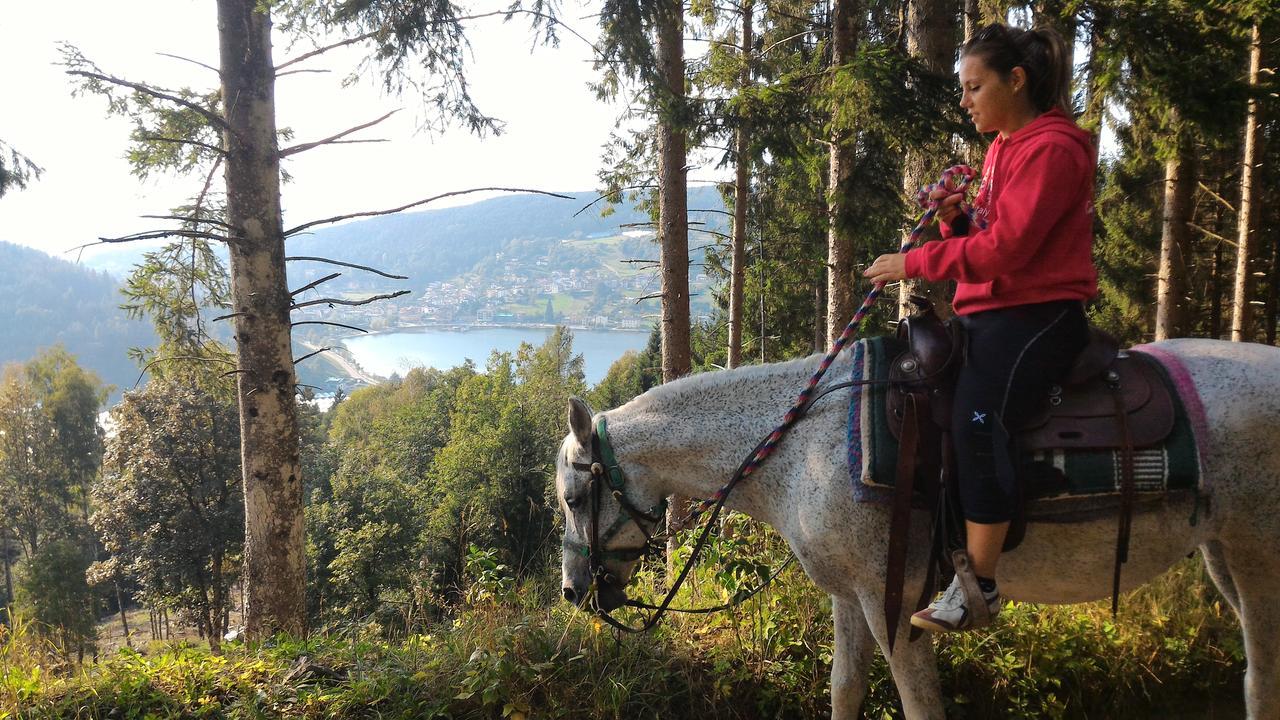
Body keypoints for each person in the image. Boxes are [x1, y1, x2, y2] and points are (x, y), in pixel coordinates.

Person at [863, 23, 1097, 633]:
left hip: (1037, 318)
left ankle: (980, 586)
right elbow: (983, 242)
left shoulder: (1053, 149)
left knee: (975, 417)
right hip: (992, 313)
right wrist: (955, 219)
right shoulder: (1001, 148)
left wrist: (913, 262)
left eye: (973, 87)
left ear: (1015, 81)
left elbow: (1010, 252)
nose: (964, 101)